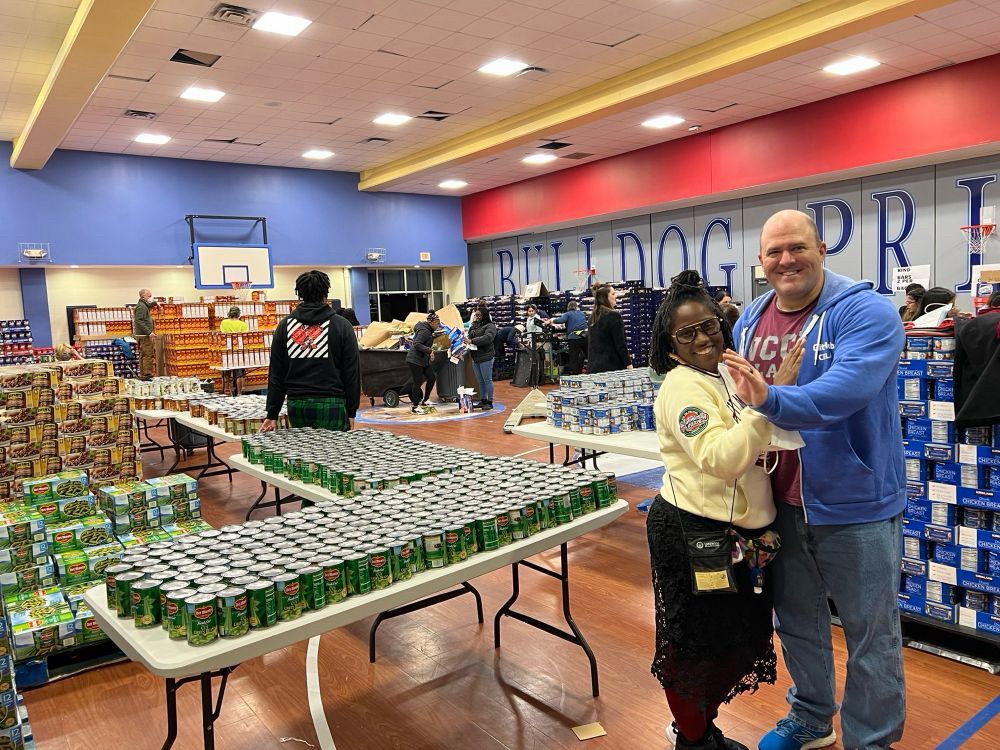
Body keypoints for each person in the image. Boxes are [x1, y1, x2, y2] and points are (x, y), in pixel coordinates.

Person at [723, 209, 906, 750]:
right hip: (776, 502)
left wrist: (771, 398)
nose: (787, 260)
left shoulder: (867, 313)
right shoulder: (751, 319)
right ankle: (811, 717)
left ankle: (871, 740)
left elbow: (848, 389)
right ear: (761, 262)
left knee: (870, 634)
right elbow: (737, 401)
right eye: (774, 252)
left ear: (822, 249)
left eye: (797, 247)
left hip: (855, 505)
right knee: (796, 621)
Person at [647, 270, 804, 750]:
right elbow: (719, 459)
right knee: (696, 648)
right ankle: (692, 742)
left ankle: (703, 730)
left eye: (708, 325)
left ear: (722, 322)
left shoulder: (723, 374)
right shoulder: (682, 388)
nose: (702, 338)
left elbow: (748, 440)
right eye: (687, 332)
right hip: (696, 534)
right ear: (671, 345)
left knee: (730, 643)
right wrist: (769, 402)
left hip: (738, 535)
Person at [262, 270, 360, 432]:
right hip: (332, 403)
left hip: (296, 404)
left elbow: (276, 373)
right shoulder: (342, 325)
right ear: (326, 293)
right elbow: (352, 372)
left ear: (299, 295)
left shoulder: (285, 326)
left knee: (303, 454)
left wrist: (272, 413)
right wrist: (351, 410)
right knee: (334, 455)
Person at [587, 284, 631, 373]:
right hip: (611, 368)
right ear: (605, 297)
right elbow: (620, 344)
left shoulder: (592, 317)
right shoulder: (614, 316)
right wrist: (629, 364)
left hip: (594, 368)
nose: (616, 296)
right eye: (613, 294)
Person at [406, 310, 439, 414]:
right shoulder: (425, 331)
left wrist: (433, 336)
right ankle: (415, 407)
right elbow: (417, 344)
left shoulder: (428, 330)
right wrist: (430, 351)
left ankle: (425, 400)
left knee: (432, 377)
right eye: (437, 323)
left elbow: (426, 339)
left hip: (422, 359)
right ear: (431, 322)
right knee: (417, 383)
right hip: (415, 360)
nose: (438, 325)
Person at [466, 304, 497, 410]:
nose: (477, 317)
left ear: (484, 315)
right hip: (476, 356)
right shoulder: (473, 325)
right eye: (476, 315)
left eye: (479, 315)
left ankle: (490, 401)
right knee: (480, 381)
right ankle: (483, 400)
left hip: (486, 356)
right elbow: (469, 336)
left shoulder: (490, 326)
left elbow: (488, 338)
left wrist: (472, 341)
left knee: (487, 379)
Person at [546, 299, 588, 374]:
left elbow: (559, 320)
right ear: (576, 306)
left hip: (574, 338)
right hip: (585, 336)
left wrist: (550, 321)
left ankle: (574, 374)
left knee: (574, 357)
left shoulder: (568, 314)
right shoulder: (582, 313)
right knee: (587, 355)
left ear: (568, 307)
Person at [219, 307, 249, 395]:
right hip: (238, 351)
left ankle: (227, 392)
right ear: (239, 314)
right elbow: (245, 338)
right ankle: (239, 393)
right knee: (239, 373)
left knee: (226, 373)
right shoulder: (243, 324)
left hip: (226, 351)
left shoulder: (224, 322)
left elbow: (222, 334)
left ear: (229, 314)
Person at [132, 288, 157, 380]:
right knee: (148, 354)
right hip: (145, 335)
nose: (151, 297)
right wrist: (149, 332)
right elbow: (139, 320)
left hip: (142, 335)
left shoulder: (143, 305)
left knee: (143, 354)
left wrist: (155, 303)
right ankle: (147, 375)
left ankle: (143, 374)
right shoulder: (142, 307)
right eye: (149, 296)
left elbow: (148, 305)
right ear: (144, 296)